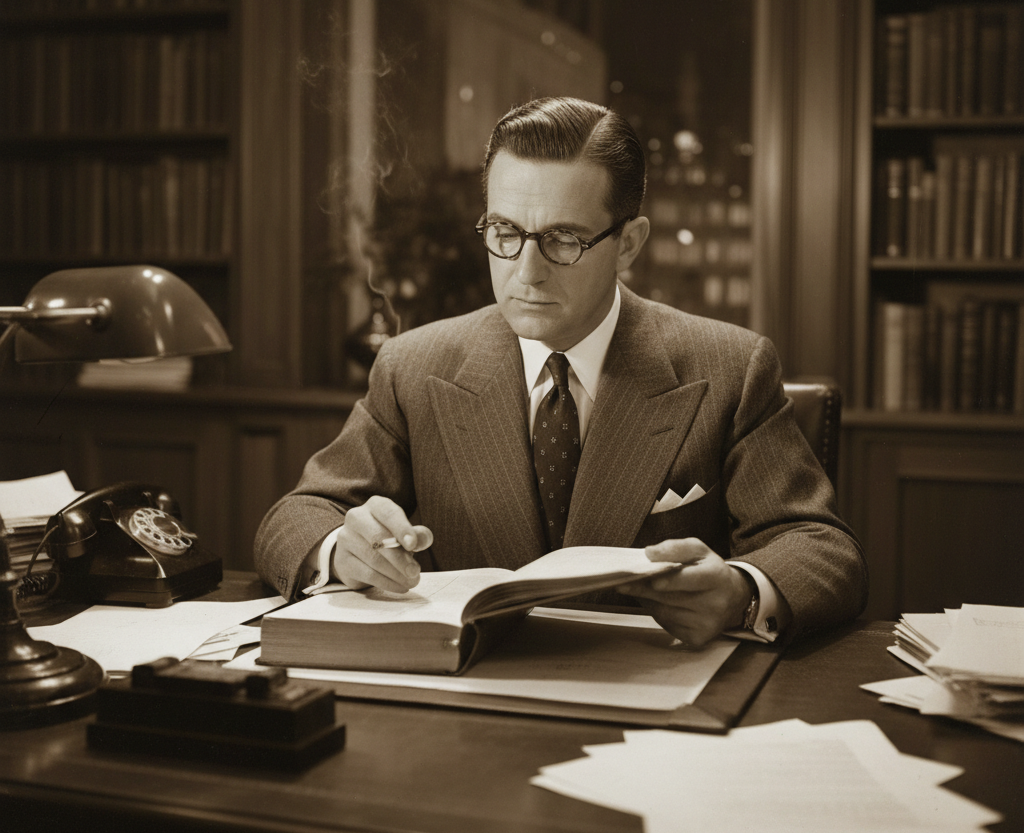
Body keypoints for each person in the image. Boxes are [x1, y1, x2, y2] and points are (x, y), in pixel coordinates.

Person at [255, 96, 868, 648]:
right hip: (468, 705)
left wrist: (740, 589)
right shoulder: (413, 366)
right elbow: (295, 518)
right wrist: (344, 550)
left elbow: (823, 551)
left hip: (653, 714)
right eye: (504, 233)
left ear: (628, 244)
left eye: (563, 240)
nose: (526, 272)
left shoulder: (730, 367)